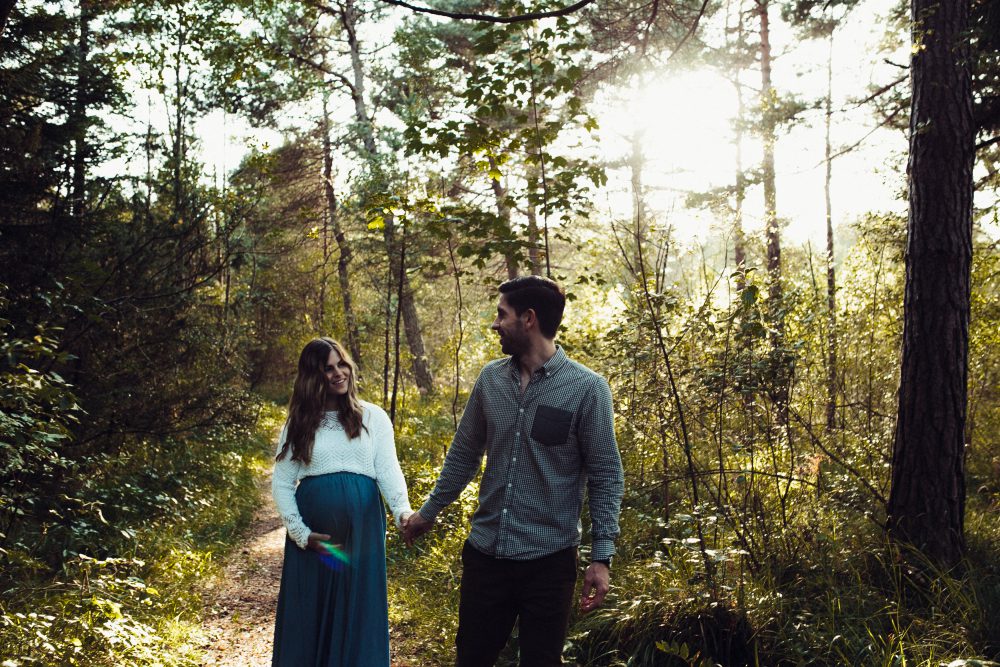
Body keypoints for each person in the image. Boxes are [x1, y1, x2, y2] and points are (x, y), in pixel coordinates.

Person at [403, 276, 624, 667]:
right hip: (486, 556)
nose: (495, 323)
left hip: (549, 563)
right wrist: (429, 512)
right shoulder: (490, 380)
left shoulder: (587, 390)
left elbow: (606, 475)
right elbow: (463, 454)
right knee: (472, 659)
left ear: (529, 319)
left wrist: (601, 556)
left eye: (501, 314)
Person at [271, 337, 412, 667]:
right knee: (310, 614)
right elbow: (281, 482)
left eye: (341, 364)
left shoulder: (372, 418)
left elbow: (388, 469)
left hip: (363, 534)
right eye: (327, 368)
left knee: (359, 609)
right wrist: (301, 534)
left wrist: (402, 511)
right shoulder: (299, 423)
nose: (338, 373)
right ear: (312, 377)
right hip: (315, 542)